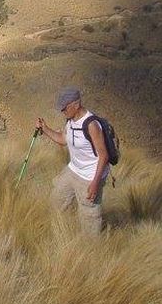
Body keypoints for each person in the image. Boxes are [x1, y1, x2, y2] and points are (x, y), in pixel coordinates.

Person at [37, 87, 109, 236]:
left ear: (76, 105)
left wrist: (95, 183)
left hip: (89, 177)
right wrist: (45, 128)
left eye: (64, 108)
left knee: (89, 216)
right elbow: (63, 140)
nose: (62, 111)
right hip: (73, 170)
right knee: (57, 200)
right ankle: (61, 231)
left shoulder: (91, 125)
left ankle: (93, 250)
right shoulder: (70, 121)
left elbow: (104, 156)